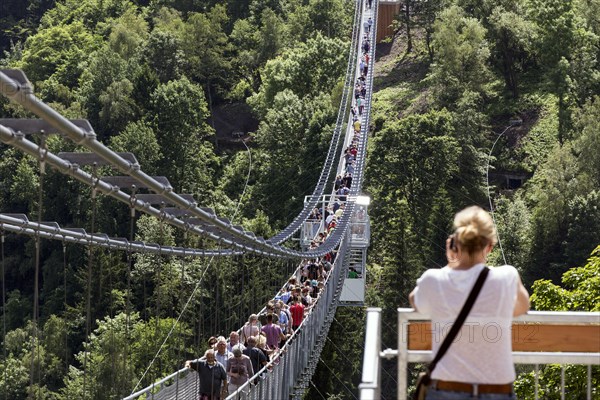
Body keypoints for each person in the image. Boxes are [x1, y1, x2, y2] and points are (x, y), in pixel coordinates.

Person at [409, 205, 530, 399]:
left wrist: (451, 264)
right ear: (490, 246)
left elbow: (416, 301)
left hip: (446, 390)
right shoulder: (507, 276)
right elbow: (523, 306)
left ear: (455, 245)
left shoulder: (434, 279)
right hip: (497, 392)